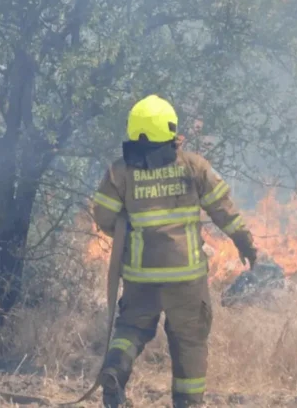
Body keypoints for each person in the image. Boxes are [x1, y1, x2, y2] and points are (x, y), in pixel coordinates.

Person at [91, 94, 258, 407]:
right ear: (170, 130)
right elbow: (222, 209)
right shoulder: (193, 166)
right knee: (190, 342)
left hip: (141, 277)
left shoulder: (119, 172)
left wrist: (127, 227)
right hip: (187, 279)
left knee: (131, 328)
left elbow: (103, 218)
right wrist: (244, 241)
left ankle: (114, 369)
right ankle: (188, 403)